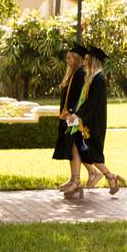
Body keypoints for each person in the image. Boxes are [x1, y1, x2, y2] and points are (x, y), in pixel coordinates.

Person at [64, 46, 125, 197]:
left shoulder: (99, 79)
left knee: (90, 151)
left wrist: (78, 116)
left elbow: (92, 103)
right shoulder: (92, 77)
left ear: (93, 61)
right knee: (78, 148)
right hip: (87, 121)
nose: (84, 63)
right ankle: (104, 177)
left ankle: (110, 176)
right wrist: (76, 115)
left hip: (93, 122)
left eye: (86, 60)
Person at [53, 43, 88, 195]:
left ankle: (77, 180)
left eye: (69, 58)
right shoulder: (72, 73)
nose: (67, 60)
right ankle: (73, 179)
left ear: (76, 59)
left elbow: (79, 96)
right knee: (70, 147)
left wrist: (72, 113)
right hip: (67, 115)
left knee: (74, 147)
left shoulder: (80, 73)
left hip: (72, 115)